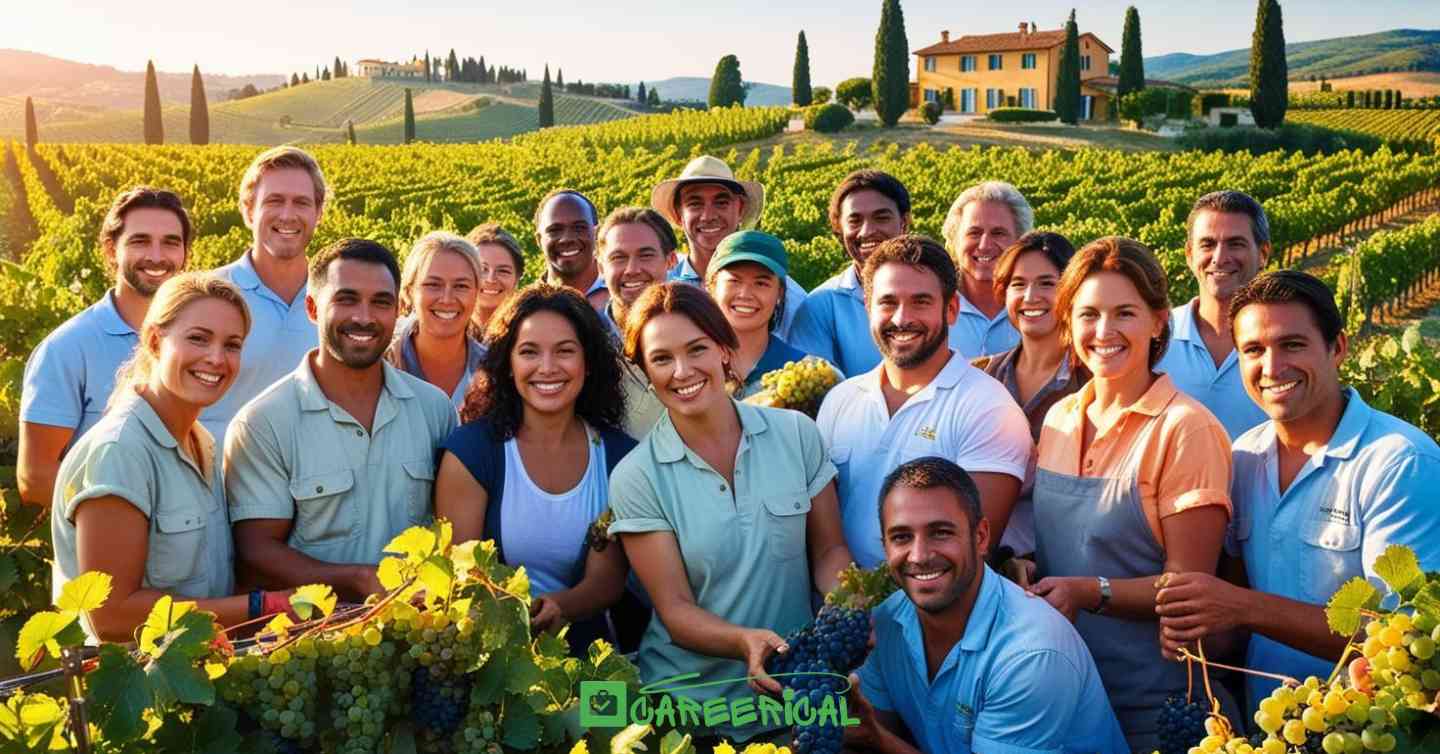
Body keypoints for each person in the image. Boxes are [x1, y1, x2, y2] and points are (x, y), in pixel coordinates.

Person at [1156, 271, 1440, 710]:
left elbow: (1405, 636)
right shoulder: (1243, 458)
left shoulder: (1400, 462)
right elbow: (1234, 600)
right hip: (1266, 724)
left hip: (1366, 729)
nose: (1271, 368)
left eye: (1292, 344)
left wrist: (1241, 608)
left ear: (1338, 348)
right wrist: (1196, 631)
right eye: (1253, 350)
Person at [607, 282, 852, 742]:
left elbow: (829, 551)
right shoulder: (636, 477)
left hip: (791, 694)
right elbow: (675, 609)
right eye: (661, 359)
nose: (682, 371)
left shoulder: (797, 435)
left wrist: (847, 607)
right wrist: (744, 641)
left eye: (696, 348)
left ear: (724, 349)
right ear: (643, 370)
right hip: (688, 710)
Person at [1029, 236, 1235, 752]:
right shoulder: (1058, 419)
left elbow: (1189, 591)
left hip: (1158, 707)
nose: (1104, 331)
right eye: (1088, 314)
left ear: (1159, 320)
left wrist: (1087, 591)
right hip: (1068, 693)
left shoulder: (1185, 429)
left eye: (1125, 312)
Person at [51, 273, 292, 641]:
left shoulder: (203, 442)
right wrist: (263, 607)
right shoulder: (118, 452)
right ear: (153, 341)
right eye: (198, 338)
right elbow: (112, 616)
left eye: (232, 345)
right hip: (145, 689)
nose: (216, 358)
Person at [226, 239, 457, 602]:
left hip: (423, 634)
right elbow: (256, 553)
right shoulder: (263, 423)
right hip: (315, 642)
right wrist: (357, 580)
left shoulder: (434, 409)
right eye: (346, 299)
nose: (364, 317)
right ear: (313, 308)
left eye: (381, 302)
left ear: (398, 310)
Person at [847, 457, 1127, 754]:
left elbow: (873, 734)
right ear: (885, 547)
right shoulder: (889, 620)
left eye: (941, 532)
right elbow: (861, 723)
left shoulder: (1031, 654)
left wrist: (877, 738)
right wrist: (799, 699)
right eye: (902, 537)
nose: (919, 555)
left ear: (980, 537)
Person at [435, 284, 637, 654]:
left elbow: (606, 582)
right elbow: (461, 577)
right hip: (491, 658)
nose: (547, 368)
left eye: (564, 352)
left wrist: (562, 607)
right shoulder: (472, 452)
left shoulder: (621, 458)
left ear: (588, 363)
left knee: (611, 714)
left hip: (592, 658)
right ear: (508, 364)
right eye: (529, 352)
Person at [815, 235, 1030, 569]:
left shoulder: (988, 408)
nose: (902, 318)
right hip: (845, 611)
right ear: (868, 308)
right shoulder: (840, 400)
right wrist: (849, 607)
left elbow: (972, 554)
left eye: (920, 302)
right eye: (888, 302)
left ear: (952, 309)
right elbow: (825, 541)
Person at [20, 187, 192, 507]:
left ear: (185, 254)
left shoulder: (204, 343)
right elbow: (36, 476)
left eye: (171, 242)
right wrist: (120, 518)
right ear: (111, 250)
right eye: (140, 241)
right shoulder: (67, 348)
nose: (157, 256)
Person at [970, 232, 1088, 562]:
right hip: (989, 560)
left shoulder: (1093, 382)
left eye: (1047, 283)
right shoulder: (979, 377)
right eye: (1018, 284)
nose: (1030, 296)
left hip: (1071, 562)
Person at [205, 146, 328, 450]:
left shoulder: (337, 302)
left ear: (319, 213)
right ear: (248, 211)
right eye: (274, 201)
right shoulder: (205, 297)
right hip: (218, 488)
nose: (288, 215)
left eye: (301, 202)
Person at [1156, 190, 1272, 439]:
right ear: (1189, 255)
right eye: (1207, 244)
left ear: (1263, 254)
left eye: (1235, 244)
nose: (1220, 258)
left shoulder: (1282, 343)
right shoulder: (1155, 336)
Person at [651, 155, 807, 337]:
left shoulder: (787, 296)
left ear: (740, 209)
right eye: (695, 204)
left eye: (721, 203)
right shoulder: (662, 289)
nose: (708, 216)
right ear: (679, 215)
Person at [789, 169, 912, 377]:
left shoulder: (942, 293)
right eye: (855, 221)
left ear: (904, 222)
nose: (867, 231)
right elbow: (812, 392)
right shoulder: (820, 306)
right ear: (839, 229)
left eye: (881, 218)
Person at [594, 206, 677, 438]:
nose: (632, 269)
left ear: (670, 260)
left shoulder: (699, 330)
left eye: (646, 255)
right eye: (618, 258)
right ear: (601, 267)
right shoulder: (587, 343)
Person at [704, 230, 814, 398]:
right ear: (712, 287)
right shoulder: (691, 365)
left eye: (761, 283)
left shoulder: (805, 372)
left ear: (780, 293)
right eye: (734, 280)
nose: (745, 294)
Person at [386, 231, 487, 412]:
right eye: (433, 285)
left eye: (461, 286)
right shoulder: (380, 366)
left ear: (478, 293)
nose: (447, 299)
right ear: (409, 291)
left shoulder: (496, 371)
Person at [939, 181, 1031, 359]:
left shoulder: (1037, 309)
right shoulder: (934, 309)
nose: (984, 245)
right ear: (954, 241)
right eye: (974, 233)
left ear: (1020, 242)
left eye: (998, 233)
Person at [535, 189, 609, 311]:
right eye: (555, 230)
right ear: (539, 240)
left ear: (597, 234)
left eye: (579, 228)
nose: (567, 239)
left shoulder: (624, 294)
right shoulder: (525, 308)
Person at [466, 222, 524, 334]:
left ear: (517, 277)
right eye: (482, 269)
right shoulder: (445, 330)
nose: (490, 279)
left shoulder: (527, 331)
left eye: (503, 271)